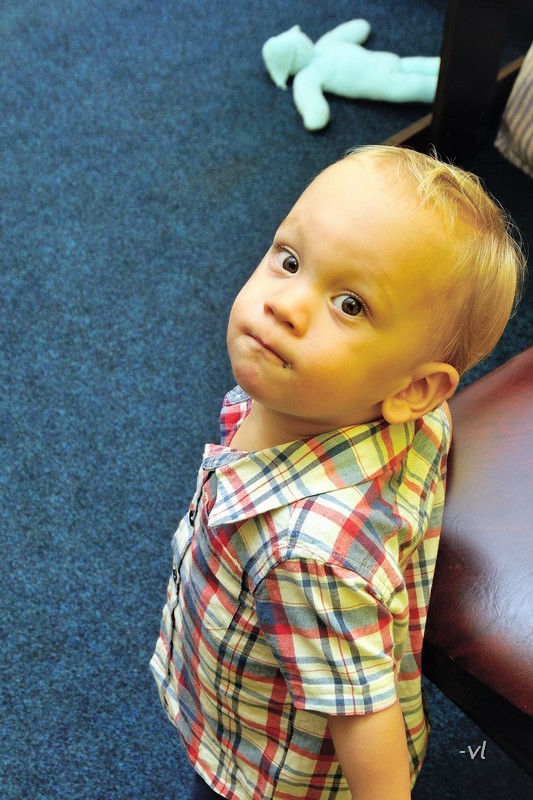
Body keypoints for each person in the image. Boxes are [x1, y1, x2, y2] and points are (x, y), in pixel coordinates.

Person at [151, 145, 525, 800]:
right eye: (290, 260)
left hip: (264, 767)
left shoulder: (306, 554)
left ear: (413, 388)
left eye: (349, 304)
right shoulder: (401, 415)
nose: (285, 305)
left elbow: (363, 717)